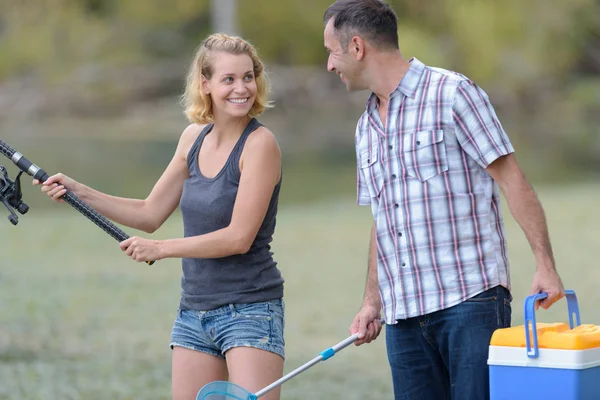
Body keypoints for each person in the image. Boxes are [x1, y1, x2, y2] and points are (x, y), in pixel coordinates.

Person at [322, 1, 565, 399]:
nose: (330, 65)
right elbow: (384, 219)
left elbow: (512, 180)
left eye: (332, 52)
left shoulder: (453, 94)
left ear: (357, 47)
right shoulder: (364, 127)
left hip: (469, 302)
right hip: (403, 319)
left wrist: (545, 265)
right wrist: (372, 302)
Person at [33, 33, 286, 400]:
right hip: (193, 312)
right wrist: (79, 191)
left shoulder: (261, 145)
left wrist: (161, 249)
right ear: (206, 84)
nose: (242, 88)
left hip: (250, 310)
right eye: (228, 79)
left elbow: (238, 237)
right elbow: (150, 212)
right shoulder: (192, 139)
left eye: (248, 77)